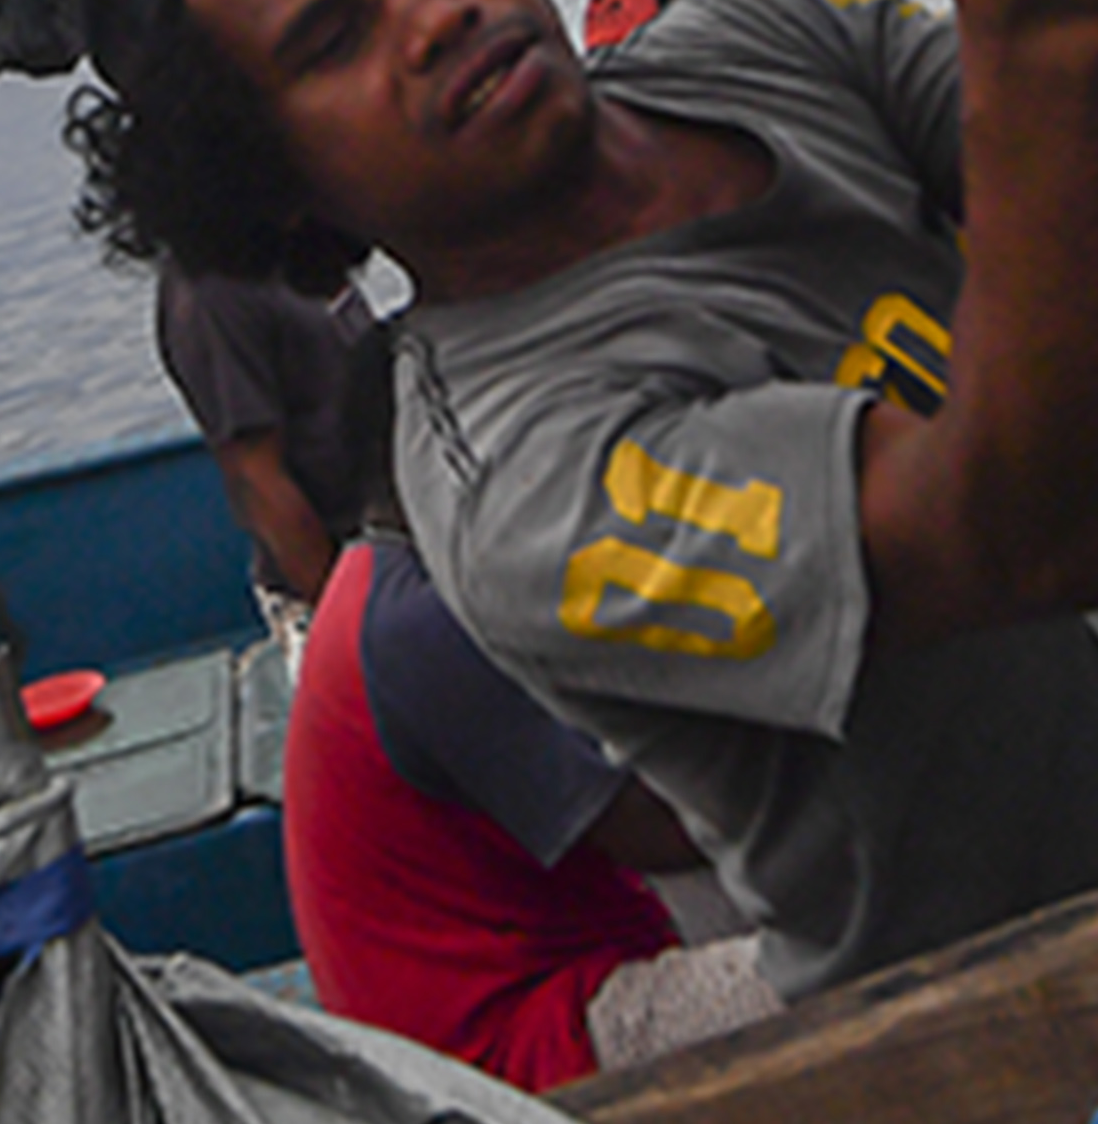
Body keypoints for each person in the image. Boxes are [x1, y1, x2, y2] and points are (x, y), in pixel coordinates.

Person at [62, 0, 1098, 1002]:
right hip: (1048, 1056)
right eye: (331, 40)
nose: (432, 16)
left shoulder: (766, 41)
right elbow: (1043, 532)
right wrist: (1030, 23)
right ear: (268, 181)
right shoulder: (516, 482)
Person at [285, 343, 777, 1089]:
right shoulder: (421, 625)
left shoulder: (382, 577)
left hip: (530, 977)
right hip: (508, 1051)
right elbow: (664, 834)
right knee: (868, 950)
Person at [151, 261, 376, 669]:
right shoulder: (211, 293)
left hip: (396, 551)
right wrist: (347, 623)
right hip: (335, 580)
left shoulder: (298, 246)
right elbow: (254, 476)